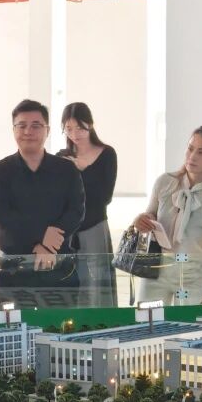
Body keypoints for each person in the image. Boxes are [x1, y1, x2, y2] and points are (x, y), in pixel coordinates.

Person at [0, 100, 85, 308]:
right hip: (14, 268)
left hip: (58, 264)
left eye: (36, 125)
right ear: (13, 130)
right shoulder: (0, 170)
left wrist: (48, 245)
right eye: (22, 125)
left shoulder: (66, 169)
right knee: (11, 325)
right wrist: (42, 236)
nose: (28, 131)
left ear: (47, 130)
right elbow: (0, 215)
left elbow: (76, 211)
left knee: (61, 324)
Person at [134, 127, 202, 306]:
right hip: (157, 268)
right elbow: (150, 215)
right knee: (148, 320)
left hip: (194, 273)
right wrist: (141, 220)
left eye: (201, 152)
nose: (192, 156)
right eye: (190, 148)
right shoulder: (165, 182)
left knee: (189, 323)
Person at [59, 102, 119, 307]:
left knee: (96, 285)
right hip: (68, 230)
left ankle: (100, 322)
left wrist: (83, 168)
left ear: (90, 125)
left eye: (79, 128)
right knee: (70, 284)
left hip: (95, 225)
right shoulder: (62, 157)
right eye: (68, 128)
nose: (74, 134)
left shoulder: (107, 153)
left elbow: (105, 196)